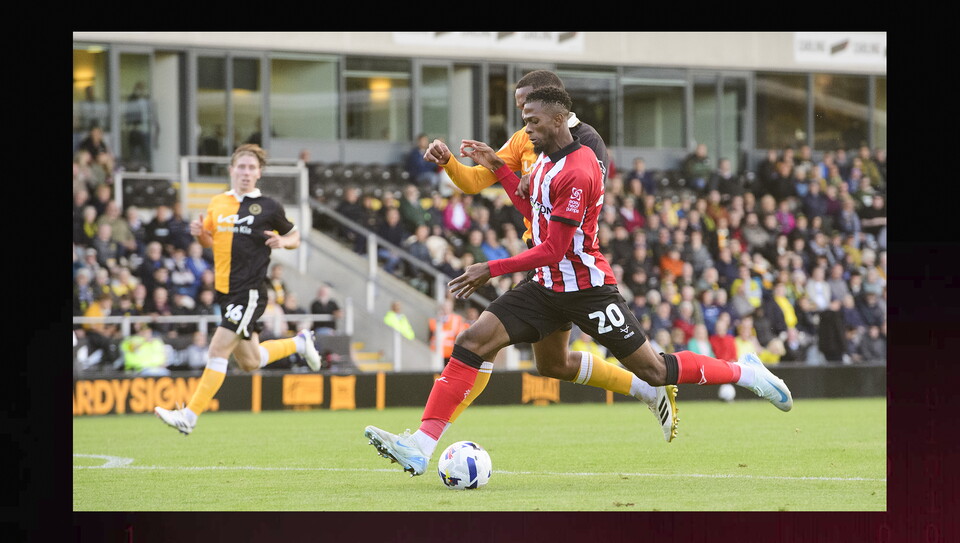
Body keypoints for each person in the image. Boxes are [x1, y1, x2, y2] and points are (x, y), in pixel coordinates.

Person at [364, 86, 792, 476]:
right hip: (547, 287)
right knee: (484, 344)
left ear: (556, 120)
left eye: (531, 120)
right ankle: (420, 446)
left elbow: (553, 248)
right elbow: (532, 210)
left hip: (587, 289)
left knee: (656, 369)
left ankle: (745, 372)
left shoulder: (580, 168)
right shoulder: (547, 162)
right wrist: (498, 166)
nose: (524, 128)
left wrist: (488, 269)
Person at [420, 71, 677, 435]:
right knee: (551, 364)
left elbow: (580, 203)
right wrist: (449, 161)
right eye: (519, 108)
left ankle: (426, 437)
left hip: (567, 260)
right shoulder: (525, 139)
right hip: (540, 264)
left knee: (480, 343)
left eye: (527, 106)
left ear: (554, 105)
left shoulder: (585, 141)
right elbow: (475, 182)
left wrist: (540, 182)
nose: (523, 115)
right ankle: (644, 388)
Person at [154, 144, 321, 435]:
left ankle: (189, 416)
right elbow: (209, 240)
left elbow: (295, 236)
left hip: (250, 291)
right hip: (226, 291)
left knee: (217, 349)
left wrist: (284, 242)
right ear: (231, 170)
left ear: (259, 174)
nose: (245, 172)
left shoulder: (269, 207)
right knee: (250, 361)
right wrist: (201, 234)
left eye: (251, 168)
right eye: (241, 167)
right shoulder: (217, 203)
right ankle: (300, 343)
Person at [429, 297, 466, 365]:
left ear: (451, 308)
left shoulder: (457, 319)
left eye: (448, 306)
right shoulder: (435, 319)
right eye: (444, 306)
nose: (446, 308)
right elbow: (430, 334)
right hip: (435, 351)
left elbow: (460, 337)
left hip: (450, 353)